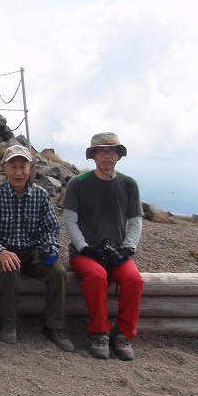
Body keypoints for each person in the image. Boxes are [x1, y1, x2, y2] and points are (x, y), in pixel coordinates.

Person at [0, 145, 74, 351]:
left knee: (58, 272)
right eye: (13, 166)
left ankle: (54, 326)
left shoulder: (40, 195)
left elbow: (51, 228)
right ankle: (7, 324)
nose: (18, 172)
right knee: (10, 268)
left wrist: (51, 248)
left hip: (32, 251)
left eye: (23, 166)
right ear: (5, 168)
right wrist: (1, 252)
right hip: (2, 251)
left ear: (30, 169)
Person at [63, 132, 144, 361]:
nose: (107, 155)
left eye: (112, 151)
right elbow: (70, 220)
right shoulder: (78, 183)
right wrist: (84, 247)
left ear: (118, 155)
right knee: (97, 277)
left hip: (117, 252)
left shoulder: (129, 184)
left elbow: (136, 221)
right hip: (84, 253)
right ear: (94, 155)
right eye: (101, 151)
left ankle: (124, 335)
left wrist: (128, 249)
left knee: (134, 280)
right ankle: (100, 333)